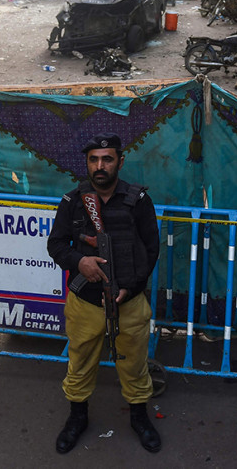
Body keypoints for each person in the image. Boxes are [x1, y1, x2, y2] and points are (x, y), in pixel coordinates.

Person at [47, 133, 161, 454]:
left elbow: (151, 250)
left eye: (107, 159)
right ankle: (77, 417)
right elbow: (55, 244)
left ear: (120, 162)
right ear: (87, 163)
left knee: (134, 363)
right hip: (85, 303)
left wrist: (131, 286)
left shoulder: (137, 201)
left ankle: (139, 417)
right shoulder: (72, 202)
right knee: (80, 361)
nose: (100, 166)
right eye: (94, 159)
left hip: (129, 301)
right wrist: (79, 261)